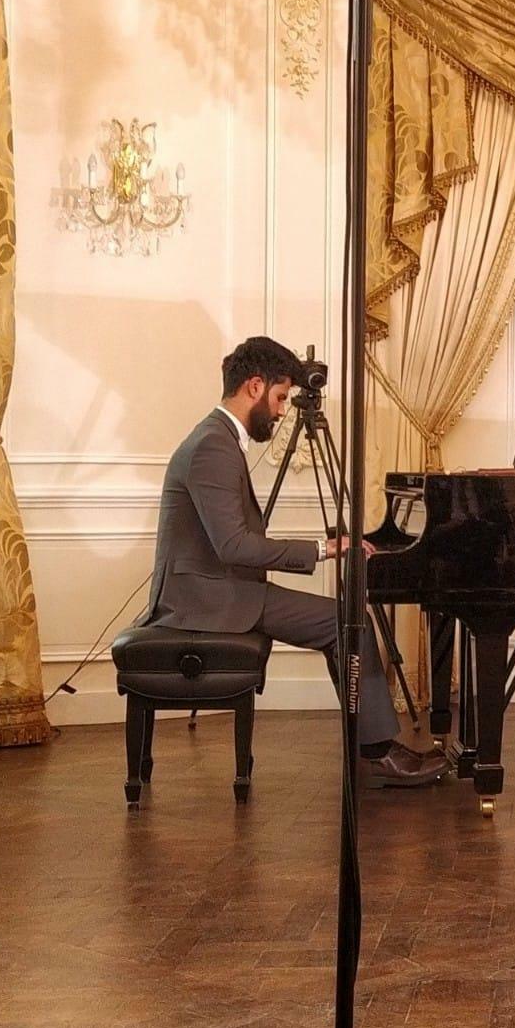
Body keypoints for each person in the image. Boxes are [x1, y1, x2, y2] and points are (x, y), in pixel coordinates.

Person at [141, 336, 447, 786]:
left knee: (344, 622)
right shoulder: (213, 446)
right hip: (208, 600)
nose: (284, 411)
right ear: (255, 386)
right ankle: (378, 752)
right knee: (348, 623)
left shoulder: (216, 437)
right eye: (281, 397)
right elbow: (234, 547)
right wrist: (324, 548)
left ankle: (371, 745)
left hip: (216, 589)